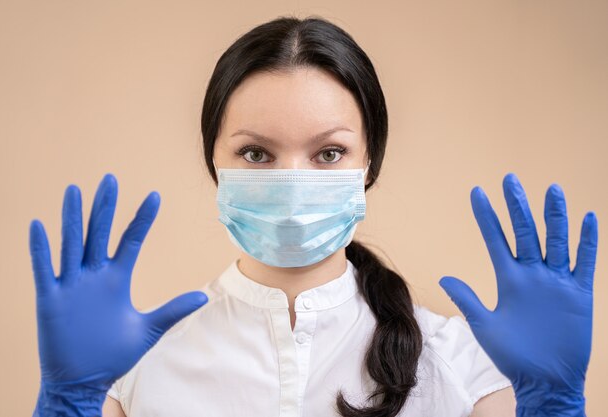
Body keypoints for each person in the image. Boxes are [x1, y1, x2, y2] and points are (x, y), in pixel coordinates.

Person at [29, 16, 598, 417]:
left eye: (329, 153)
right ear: (215, 163)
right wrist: (68, 403)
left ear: (368, 162)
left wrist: (550, 405)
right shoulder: (133, 367)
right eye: (256, 153)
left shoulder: (463, 362)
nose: (292, 183)